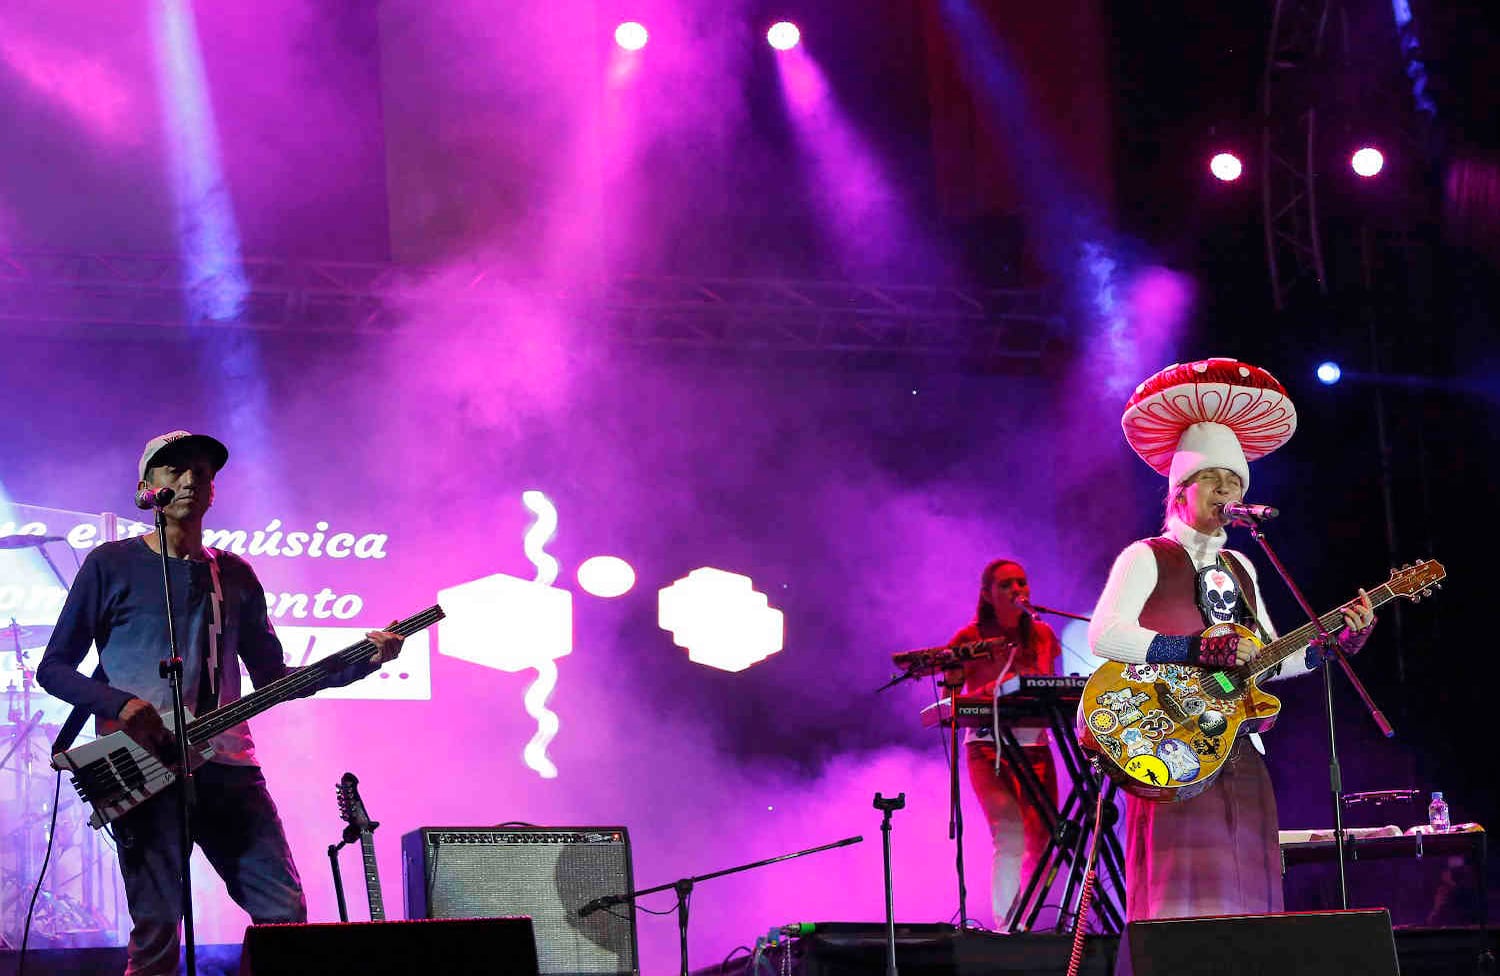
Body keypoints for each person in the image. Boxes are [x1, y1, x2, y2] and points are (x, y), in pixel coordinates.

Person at [38, 431, 405, 975]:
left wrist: (364, 660)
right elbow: (54, 668)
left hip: (230, 767)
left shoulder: (234, 574)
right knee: (159, 923)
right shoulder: (108, 564)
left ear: (213, 492)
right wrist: (122, 704)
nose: (189, 480)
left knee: (283, 911)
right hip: (144, 769)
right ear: (146, 489)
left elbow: (274, 678)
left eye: (202, 473)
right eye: (173, 470)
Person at [1088, 359, 1376, 921]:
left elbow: (1267, 656)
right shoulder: (1145, 556)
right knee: (1185, 896)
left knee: (1250, 887)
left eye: (1236, 483)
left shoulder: (1242, 563)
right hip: (1167, 747)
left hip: (1233, 743)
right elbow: (1106, 635)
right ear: (1180, 492)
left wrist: (1330, 647)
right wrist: (1193, 650)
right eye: (1216, 480)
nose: (1228, 491)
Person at [947, 558, 1062, 929]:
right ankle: (1007, 926)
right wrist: (986, 689)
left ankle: (1037, 919)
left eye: (1022, 583)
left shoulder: (1042, 634)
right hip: (987, 744)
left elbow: (1049, 687)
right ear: (987, 594)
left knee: (1044, 836)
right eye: (1007, 585)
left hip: (1035, 743)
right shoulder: (969, 637)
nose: (1018, 590)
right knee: (1009, 832)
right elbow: (951, 691)